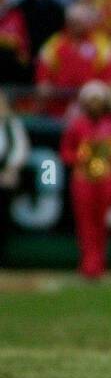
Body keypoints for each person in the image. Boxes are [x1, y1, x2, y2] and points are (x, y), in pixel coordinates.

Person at [59, 80, 111, 279]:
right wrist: (82, 156)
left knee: (102, 223)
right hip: (83, 179)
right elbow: (65, 152)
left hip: (106, 178)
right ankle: (89, 262)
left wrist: (107, 153)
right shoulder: (77, 125)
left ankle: (99, 261)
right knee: (85, 224)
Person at [0, 89, 31, 264]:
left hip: (6, 178)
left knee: (4, 218)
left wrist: (10, 169)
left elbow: (20, 149)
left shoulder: (12, 124)